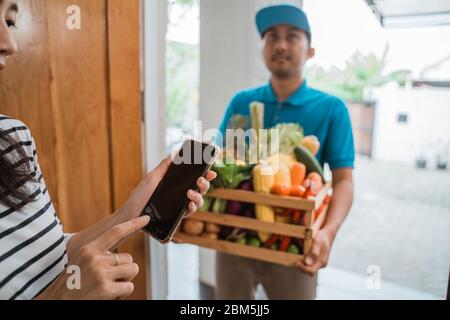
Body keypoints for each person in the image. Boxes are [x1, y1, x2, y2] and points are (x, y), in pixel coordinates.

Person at [0, 0, 216, 300]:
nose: (9, 43)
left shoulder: (12, 136)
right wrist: (63, 295)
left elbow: (49, 252)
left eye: (9, 22)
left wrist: (131, 211)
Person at [215, 4, 355, 300]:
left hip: (294, 242)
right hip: (235, 235)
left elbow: (343, 180)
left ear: (310, 51)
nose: (280, 45)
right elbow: (218, 159)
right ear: (263, 50)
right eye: (271, 37)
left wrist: (328, 232)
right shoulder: (241, 102)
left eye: (292, 37)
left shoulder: (331, 108)